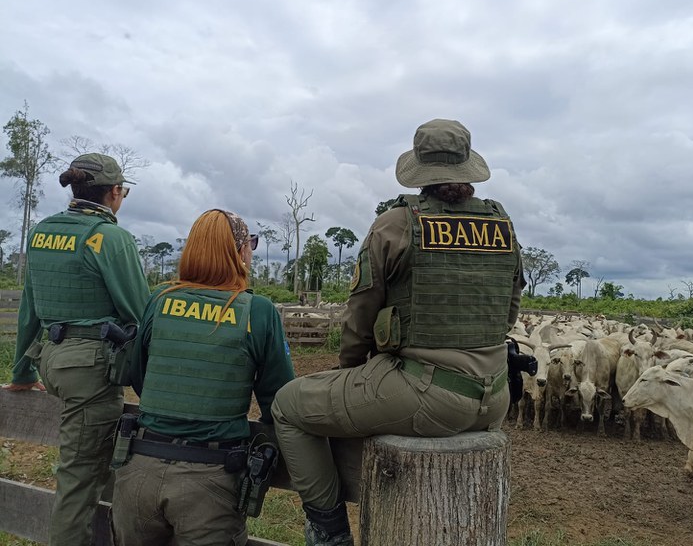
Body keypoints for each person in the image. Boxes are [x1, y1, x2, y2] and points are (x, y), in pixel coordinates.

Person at [272, 118, 526, 546]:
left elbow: (361, 313)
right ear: (467, 170)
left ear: (420, 172)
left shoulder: (396, 223)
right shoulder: (501, 224)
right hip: (495, 395)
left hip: (425, 394)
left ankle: (327, 530)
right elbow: (509, 312)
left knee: (287, 406)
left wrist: (350, 369)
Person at [110, 209, 295, 546]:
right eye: (250, 243)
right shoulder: (258, 311)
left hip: (139, 469)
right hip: (211, 478)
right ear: (238, 251)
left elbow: (138, 375)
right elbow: (281, 401)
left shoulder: (160, 300)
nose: (251, 251)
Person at [2, 153, 150, 546]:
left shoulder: (43, 231)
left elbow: (30, 306)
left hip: (51, 359)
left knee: (101, 464)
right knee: (78, 480)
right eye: (124, 191)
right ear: (115, 193)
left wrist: (21, 372)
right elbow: (140, 314)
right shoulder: (110, 238)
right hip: (90, 370)